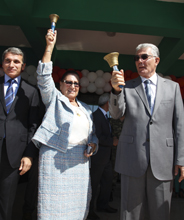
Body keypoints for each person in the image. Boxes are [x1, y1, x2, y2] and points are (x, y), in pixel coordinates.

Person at [109, 43, 184, 220]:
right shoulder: (126, 87)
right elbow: (115, 113)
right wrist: (115, 90)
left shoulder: (172, 87)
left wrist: (181, 159)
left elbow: (180, 124)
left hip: (163, 161)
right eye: (137, 58)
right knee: (130, 213)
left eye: (144, 57)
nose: (140, 61)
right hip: (132, 159)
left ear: (156, 60)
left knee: (160, 213)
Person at [32, 29, 98, 220]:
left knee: (77, 205)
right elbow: (44, 78)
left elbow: (92, 136)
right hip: (55, 156)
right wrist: (49, 47)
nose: (72, 86)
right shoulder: (54, 99)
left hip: (80, 160)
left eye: (76, 83)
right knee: (53, 206)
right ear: (60, 85)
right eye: (68, 82)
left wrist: (93, 145)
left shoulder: (86, 109)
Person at [0, 47, 40, 220]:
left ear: (23, 66)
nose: (12, 64)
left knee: (6, 204)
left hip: (13, 156)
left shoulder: (31, 92)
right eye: (8, 60)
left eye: (16, 61)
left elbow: (34, 126)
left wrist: (29, 155)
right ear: (2, 64)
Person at [87, 93, 118, 220]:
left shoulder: (105, 116)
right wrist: (112, 142)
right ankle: (89, 211)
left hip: (106, 158)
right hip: (97, 158)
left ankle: (103, 205)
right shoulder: (96, 116)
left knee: (107, 183)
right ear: (107, 103)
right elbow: (97, 136)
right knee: (93, 185)